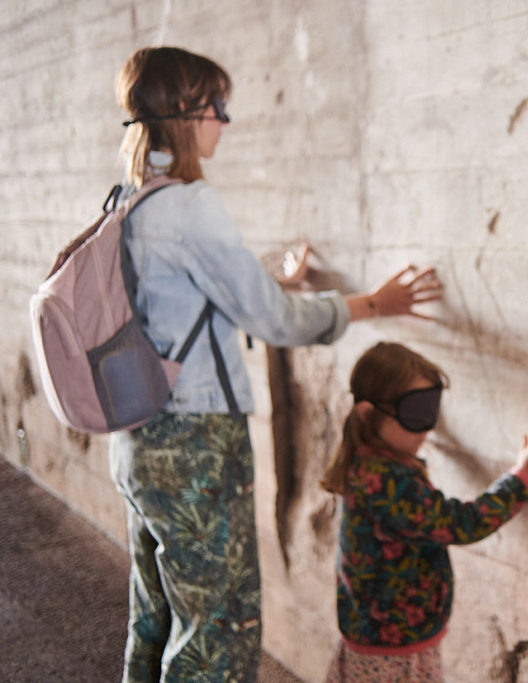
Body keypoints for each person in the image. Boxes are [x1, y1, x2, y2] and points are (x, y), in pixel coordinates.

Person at [108, 46, 443, 682]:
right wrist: (373, 303)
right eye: (217, 106)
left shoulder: (129, 199)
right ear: (185, 113)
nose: (224, 122)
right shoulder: (189, 204)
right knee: (218, 631)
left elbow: (186, 299)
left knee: (155, 616)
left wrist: (270, 280)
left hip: (137, 438)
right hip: (195, 445)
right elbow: (272, 321)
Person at [319, 341, 528, 682]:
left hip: (377, 635)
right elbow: (464, 524)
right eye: (414, 414)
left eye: (430, 411)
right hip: (393, 650)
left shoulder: (369, 461)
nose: (427, 428)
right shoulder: (388, 484)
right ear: (368, 414)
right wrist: (521, 479)